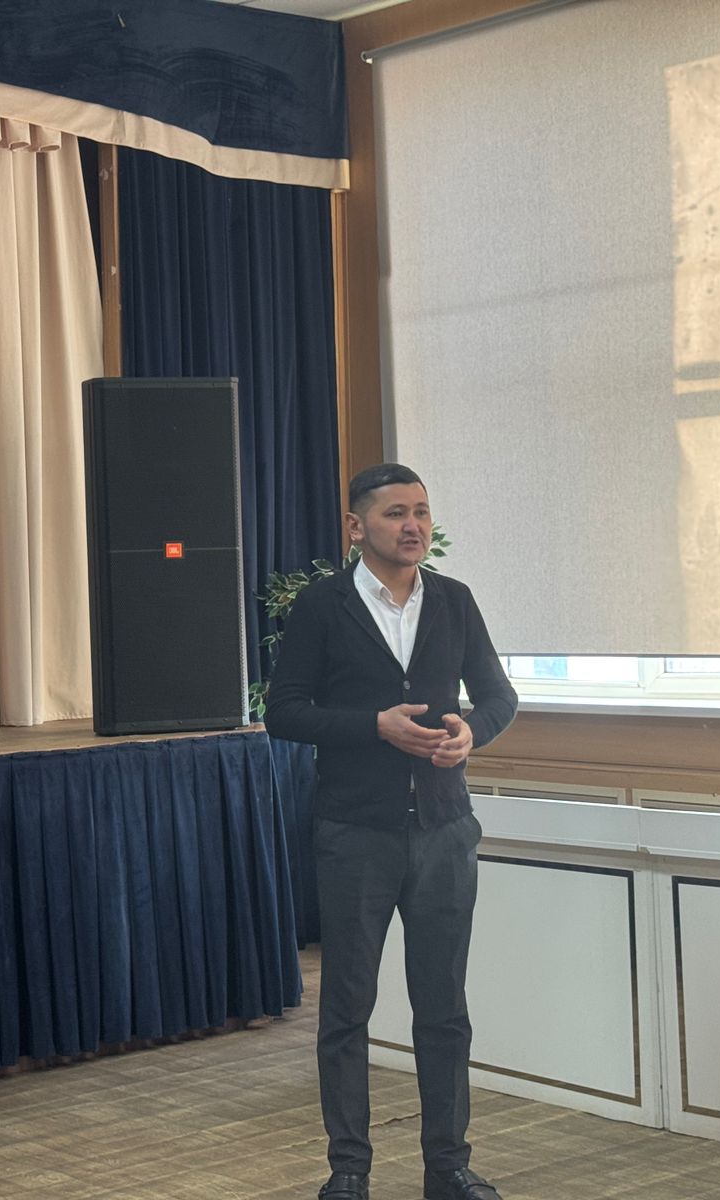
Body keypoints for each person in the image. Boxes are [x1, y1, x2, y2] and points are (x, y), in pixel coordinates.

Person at [264, 464, 518, 1200]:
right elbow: (284, 713)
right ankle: (349, 1171)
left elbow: (498, 696)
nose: (413, 526)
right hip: (355, 833)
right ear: (356, 527)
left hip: (444, 831)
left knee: (444, 1009)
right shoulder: (323, 606)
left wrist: (472, 732)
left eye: (422, 512)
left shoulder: (454, 600)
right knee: (347, 1008)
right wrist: (373, 726)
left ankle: (449, 1167)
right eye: (395, 513)